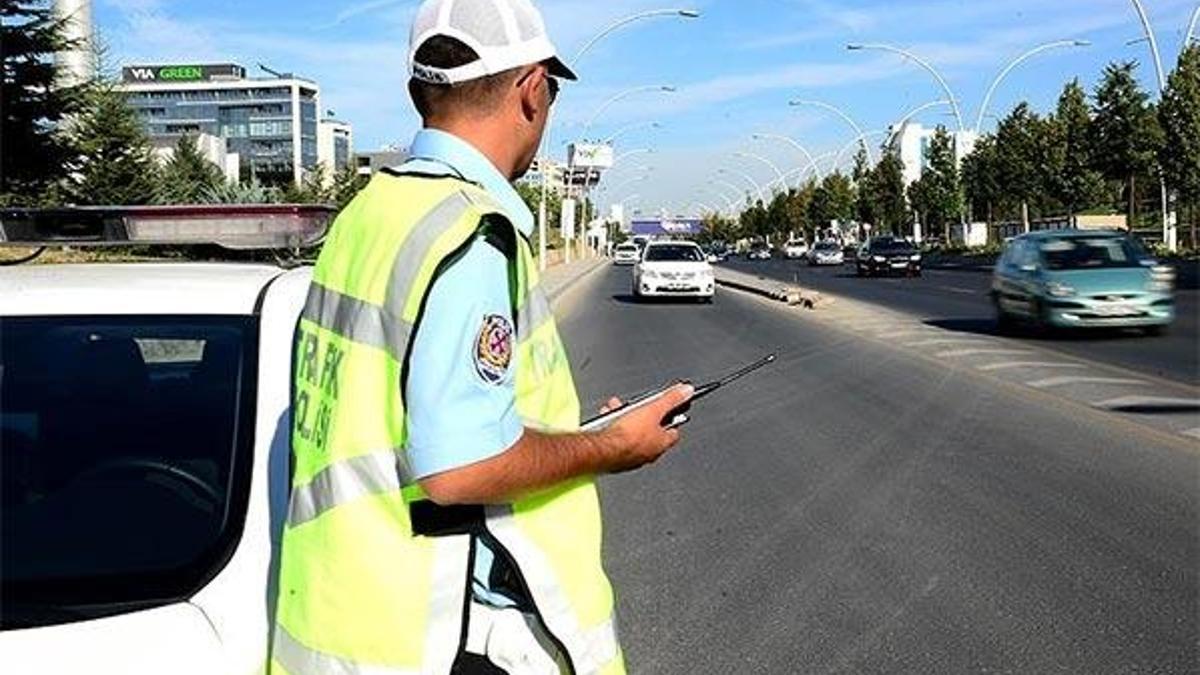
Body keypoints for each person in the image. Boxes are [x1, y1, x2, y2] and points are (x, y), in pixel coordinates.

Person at [270, 0, 693, 673]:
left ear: (419, 92)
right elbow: (458, 467)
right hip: (446, 640)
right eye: (551, 89)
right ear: (531, 90)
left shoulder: (368, 214)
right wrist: (610, 447)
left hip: (338, 623)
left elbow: (394, 405)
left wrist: (577, 433)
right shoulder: (468, 233)